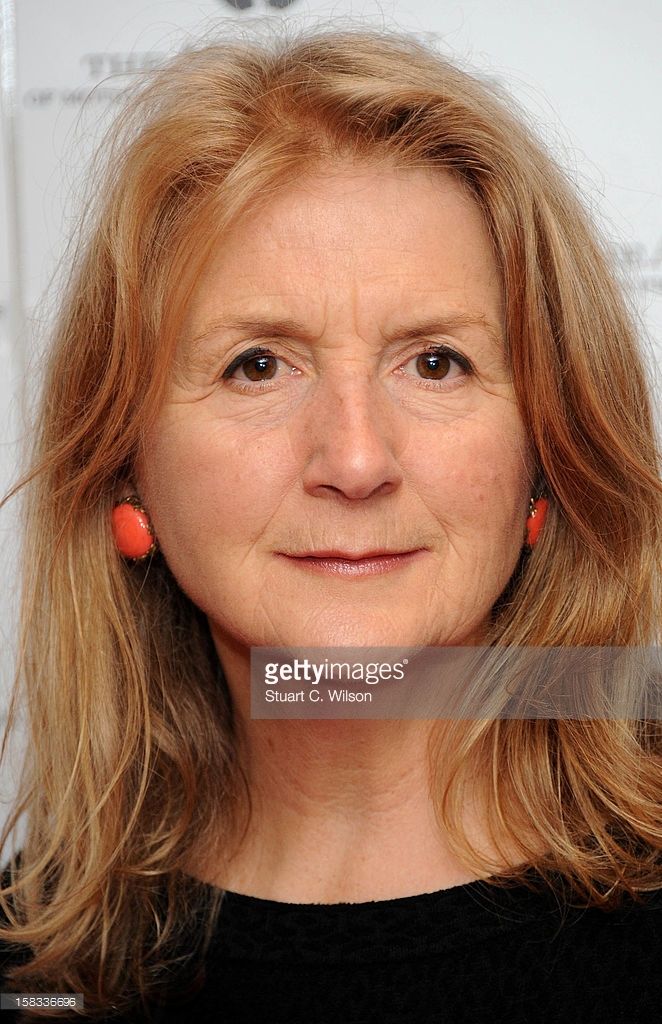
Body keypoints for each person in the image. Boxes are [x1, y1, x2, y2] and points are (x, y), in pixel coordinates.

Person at [0, 21, 661, 1024]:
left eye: (434, 362)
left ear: (547, 451)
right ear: (125, 465)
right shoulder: (39, 957)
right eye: (257, 365)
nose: (355, 460)